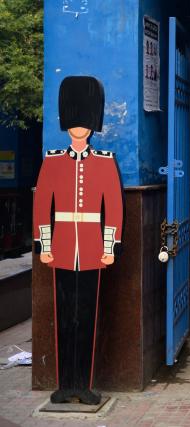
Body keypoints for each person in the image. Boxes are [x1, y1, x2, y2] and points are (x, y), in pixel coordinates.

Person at [33, 76, 124, 405]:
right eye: (75, 120)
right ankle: (64, 384)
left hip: (91, 252)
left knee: (87, 317)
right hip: (59, 249)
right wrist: (44, 245)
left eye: (84, 120)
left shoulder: (104, 162)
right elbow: (43, 206)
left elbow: (113, 207)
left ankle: (83, 385)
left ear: (92, 122)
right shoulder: (53, 161)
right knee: (64, 319)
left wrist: (108, 247)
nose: (79, 127)